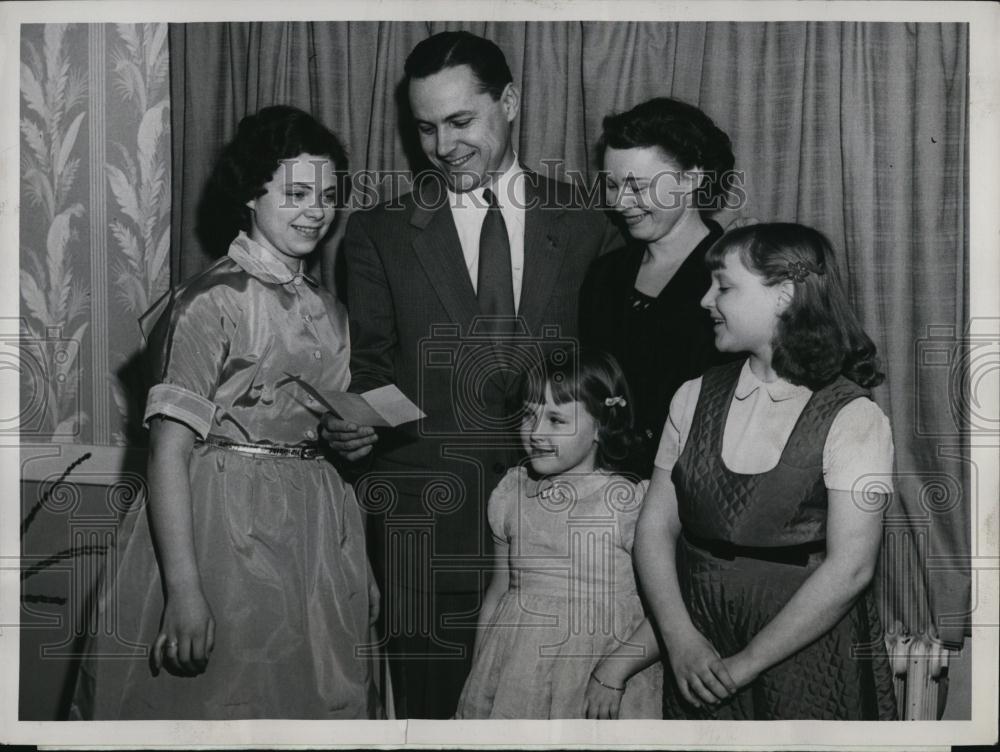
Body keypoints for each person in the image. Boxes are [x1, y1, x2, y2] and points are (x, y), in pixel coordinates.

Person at [321, 31, 621, 718]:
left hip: (564, 541)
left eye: (461, 121)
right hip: (427, 530)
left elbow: (606, 376)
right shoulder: (378, 233)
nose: (443, 145)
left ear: (509, 101)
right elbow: (370, 371)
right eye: (425, 128)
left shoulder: (586, 224)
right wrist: (356, 431)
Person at [71, 106, 380, 720]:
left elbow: (323, 438)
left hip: (317, 542)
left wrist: (351, 444)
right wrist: (185, 589)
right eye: (294, 193)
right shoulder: (209, 300)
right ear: (249, 195)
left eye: (326, 195)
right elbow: (168, 452)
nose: (315, 210)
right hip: (222, 535)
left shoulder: (332, 312)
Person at [634, 222, 898, 720]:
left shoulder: (854, 417)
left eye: (724, 286)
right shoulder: (691, 396)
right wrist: (679, 638)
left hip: (805, 648)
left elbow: (853, 567)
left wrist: (747, 664)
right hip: (701, 646)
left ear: (784, 296)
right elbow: (654, 528)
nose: (705, 300)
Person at [454, 350, 662, 719]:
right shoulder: (512, 494)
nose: (535, 433)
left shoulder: (630, 504)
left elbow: (665, 612)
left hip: (596, 684)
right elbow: (499, 592)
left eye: (555, 419)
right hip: (514, 678)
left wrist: (615, 672)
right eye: (529, 415)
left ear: (601, 426)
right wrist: (479, 677)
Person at [580, 97, 739, 477]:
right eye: (613, 185)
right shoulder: (605, 274)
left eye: (637, 186)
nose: (620, 203)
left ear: (691, 178)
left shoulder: (735, 278)